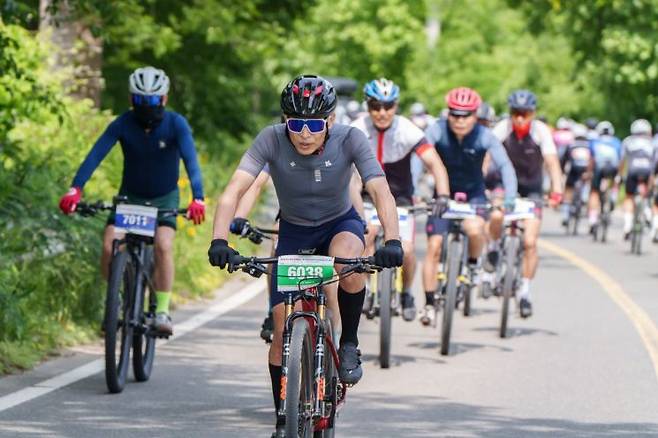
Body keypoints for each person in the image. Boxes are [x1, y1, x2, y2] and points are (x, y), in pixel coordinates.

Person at [207, 75, 403, 437]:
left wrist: (393, 240)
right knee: (282, 327)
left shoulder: (351, 139)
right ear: (285, 121)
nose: (304, 134)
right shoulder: (270, 139)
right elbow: (234, 188)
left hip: (339, 223)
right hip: (294, 231)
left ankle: (348, 344)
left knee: (349, 262)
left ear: (329, 120)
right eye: (295, 124)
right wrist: (220, 240)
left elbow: (381, 191)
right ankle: (283, 415)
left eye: (314, 124)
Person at [58, 66, 206, 336]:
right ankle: (113, 298)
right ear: (131, 99)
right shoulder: (123, 123)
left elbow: (191, 161)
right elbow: (95, 155)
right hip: (130, 198)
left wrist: (198, 197)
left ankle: (161, 309)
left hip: (164, 198)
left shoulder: (176, 124)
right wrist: (75, 189)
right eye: (141, 100)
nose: (146, 106)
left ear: (163, 99)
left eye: (152, 100)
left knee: (163, 245)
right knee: (109, 244)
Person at [351, 78, 450, 321]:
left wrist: (444, 195)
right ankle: (364, 290)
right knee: (366, 237)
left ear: (396, 106)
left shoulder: (407, 129)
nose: (382, 112)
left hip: (400, 198)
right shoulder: (357, 128)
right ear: (368, 106)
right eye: (375, 106)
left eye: (388, 106)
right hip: (364, 196)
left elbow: (434, 163)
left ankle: (406, 292)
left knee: (405, 250)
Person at [421, 87, 517, 326]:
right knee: (433, 246)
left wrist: (510, 197)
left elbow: (505, 166)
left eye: (466, 115)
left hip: (474, 194)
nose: (460, 120)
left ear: (475, 115)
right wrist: (412, 191)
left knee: (475, 230)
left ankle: (473, 266)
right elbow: (418, 158)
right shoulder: (436, 130)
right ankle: (429, 303)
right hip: (443, 194)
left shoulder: (485, 135)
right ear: (448, 114)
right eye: (455, 114)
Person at [490, 89, 562, 318]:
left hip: (532, 188)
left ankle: (524, 291)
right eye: (515, 113)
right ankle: (492, 249)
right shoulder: (502, 128)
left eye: (525, 113)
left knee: (530, 242)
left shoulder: (541, 131)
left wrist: (557, 191)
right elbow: (485, 156)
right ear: (510, 113)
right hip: (504, 184)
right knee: (495, 216)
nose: (520, 118)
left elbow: (552, 162)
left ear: (533, 114)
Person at [619, 119, 655, 240]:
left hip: (633, 171)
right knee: (648, 194)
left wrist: (619, 175)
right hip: (648, 172)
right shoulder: (653, 142)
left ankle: (628, 225)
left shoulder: (628, 141)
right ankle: (647, 211)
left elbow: (622, 160)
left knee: (629, 196)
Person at [588, 121, 622, 234]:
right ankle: (613, 196)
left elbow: (591, 160)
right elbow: (620, 160)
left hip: (599, 168)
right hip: (612, 169)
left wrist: (589, 173)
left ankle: (592, 220)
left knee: (594, 192)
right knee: (615, 182)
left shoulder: (595, 142)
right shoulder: (617, 141)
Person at [559, 123, 592, 228]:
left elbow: (564, 159)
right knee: (587, 181)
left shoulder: (571, 144)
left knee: (568, 189)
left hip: (574, 169)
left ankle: (565, 215)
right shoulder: (590, 145)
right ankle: (584, 197)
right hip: (585, 170)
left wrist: (562, 171)